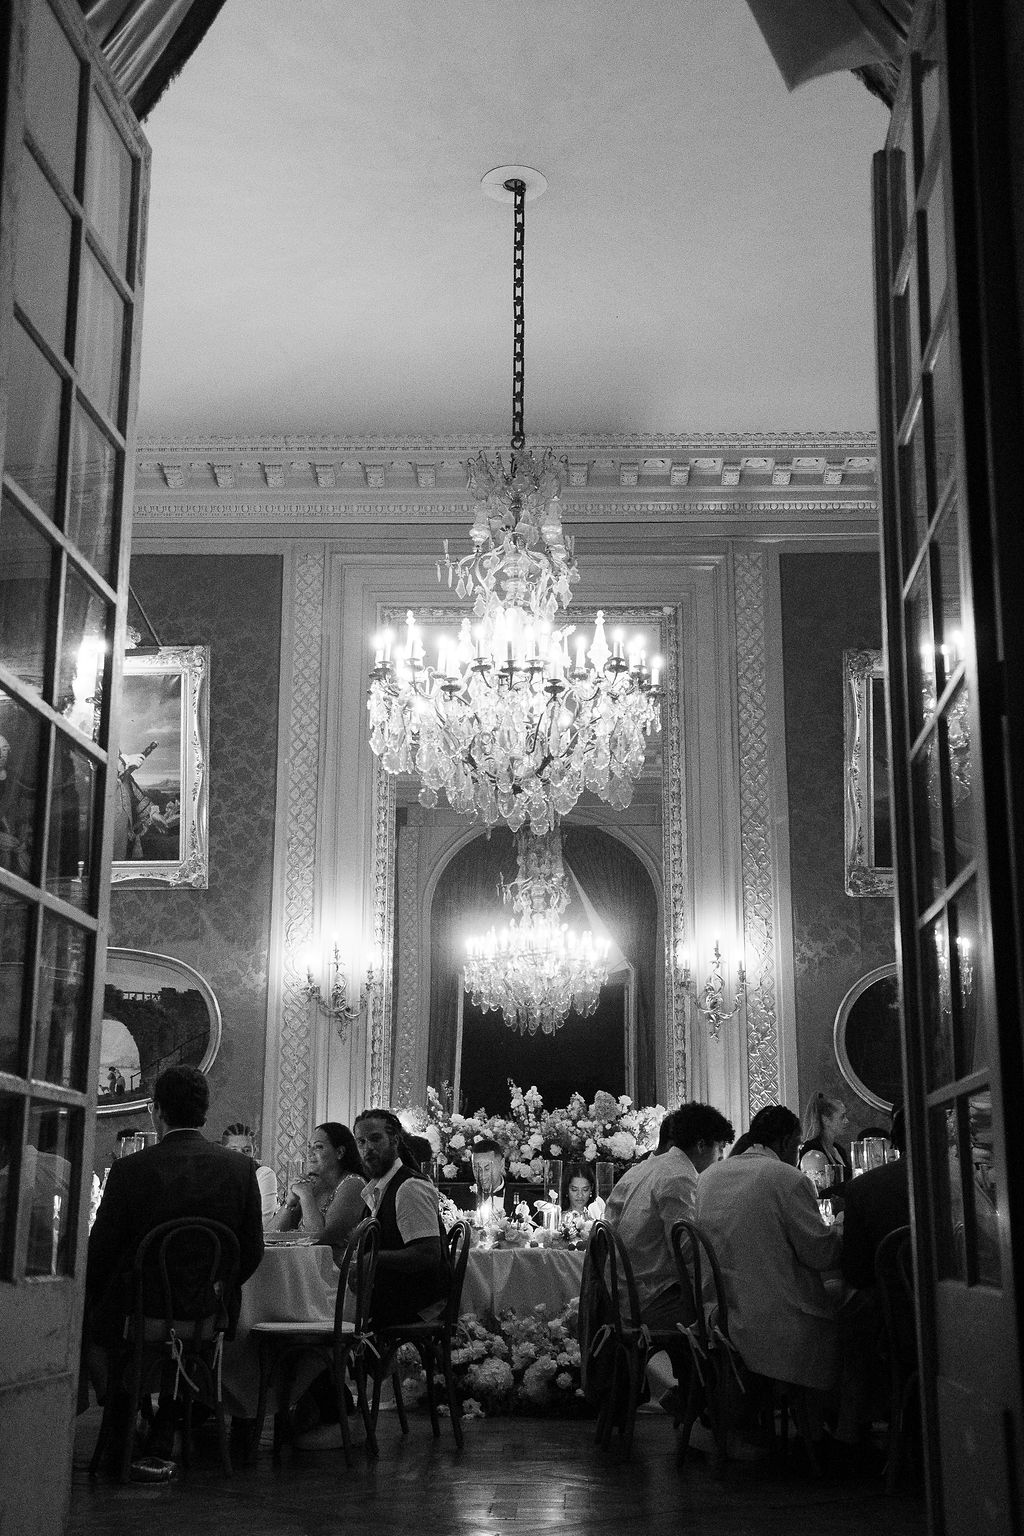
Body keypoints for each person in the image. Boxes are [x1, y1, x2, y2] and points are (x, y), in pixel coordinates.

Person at [85, 1066, 264, 1463]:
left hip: (140, 1313)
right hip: (207, 1314)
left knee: (89, 1317)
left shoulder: (131, 1169)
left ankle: (120, 1416)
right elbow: (251, 1250)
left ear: (157, 1110)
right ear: (204, 1111)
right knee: (173, 1336)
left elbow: (100, 1253)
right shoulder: (240, 1169)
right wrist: (216, 1287)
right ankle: (167, 1418)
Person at [694, 1104, 842, 1409]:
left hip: (718, 1312)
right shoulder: (787, 1178)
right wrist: (841, 1226)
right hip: (775, 1319)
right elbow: (820, 1254)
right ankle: (828, 1425)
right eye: (798, 1145)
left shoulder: (709, 1176)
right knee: (853, 1310)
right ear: (787, 1141)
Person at [605, 1102, 734, 1346]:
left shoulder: (641, 1169)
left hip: (619, 1290)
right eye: (720, 1148)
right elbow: (688, 1252)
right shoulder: (680, 1176)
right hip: (652, 1298)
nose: (720, 1158)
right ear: (701, 1145)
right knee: (735, 1310)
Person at [354, 1108, 447, 1330]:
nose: (368, 1148)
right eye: (361, 1142)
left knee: (327, 1317)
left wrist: (373, 1258)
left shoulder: (409, 1187)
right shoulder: (379, 1189)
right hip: (392, 1299)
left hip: (416, 1304)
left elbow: (428, 1254)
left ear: (394, 1140)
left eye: (375, 1139)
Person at [268, 1121, 365, 1250]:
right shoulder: (311, 1183)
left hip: (333, 1266)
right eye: (309, 1147)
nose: (309, 1153)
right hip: (304, 1262)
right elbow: (269, 1237)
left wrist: (306, 1196)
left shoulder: (353, 1184)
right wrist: (289, 1202)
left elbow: (321, 1239)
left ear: (340, 1152)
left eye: (318, 1147)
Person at [221, 1122, 280, 1226]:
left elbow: (263, 1222)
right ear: (222, 1151)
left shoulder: (263, 1174)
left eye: (246, 1150)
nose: (240, 1155)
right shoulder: (215, 1175)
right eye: (233, 1150)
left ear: (255, 1151)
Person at [798, 1089, 852, 1192]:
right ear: (826, 1120)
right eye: (842, 1117)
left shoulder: (838, 1149)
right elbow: (816, 1192)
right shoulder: (811, 1150)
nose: (847, 1121)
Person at [470, 1136, 511, 1216]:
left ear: (502, 1164)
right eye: (476, 1168)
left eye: (487, 1168)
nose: (482, 1175)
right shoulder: (458, 1198)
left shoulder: (526, 1199)